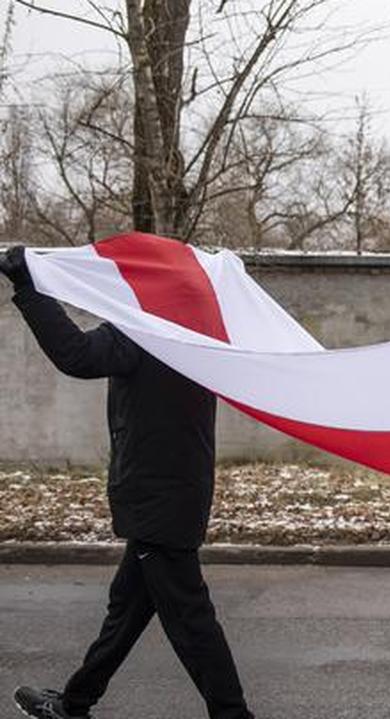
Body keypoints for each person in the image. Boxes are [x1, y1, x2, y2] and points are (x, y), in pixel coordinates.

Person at [2, 246, 255, 719]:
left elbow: (76, 355)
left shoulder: (144, 333)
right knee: (126, 610)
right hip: (176, 495)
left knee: (191, 621)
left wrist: (28, 286)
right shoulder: (191, 336)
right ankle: (74, 703)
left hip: (156, 502)